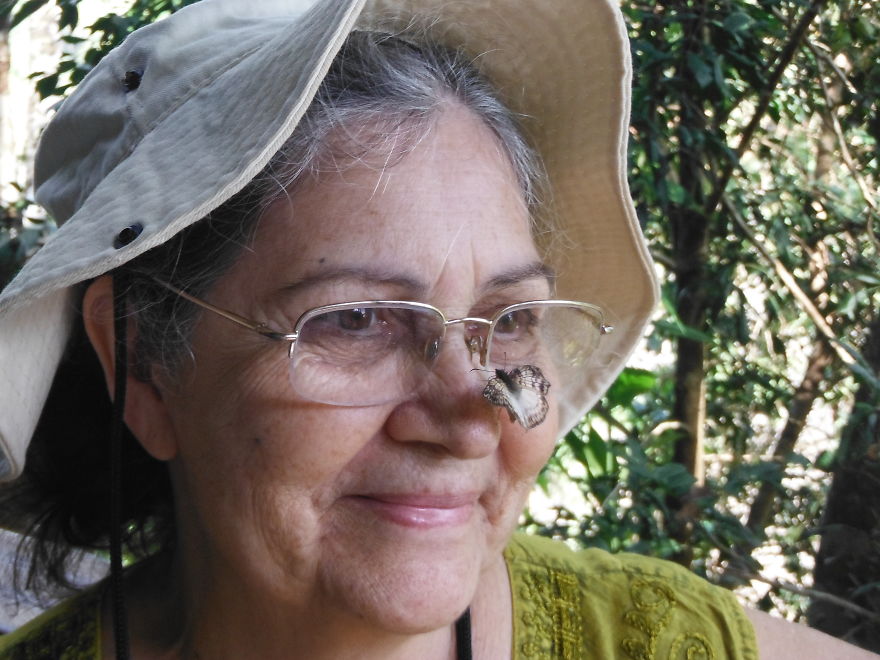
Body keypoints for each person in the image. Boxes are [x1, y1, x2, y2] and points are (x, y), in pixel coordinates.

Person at [0, 0, 874, 658]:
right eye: (356, 319)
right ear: (146, 365)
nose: (473, 413)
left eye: (513, 318)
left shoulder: (656, 641)